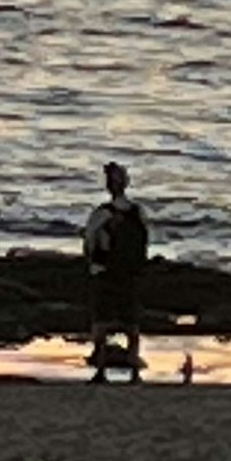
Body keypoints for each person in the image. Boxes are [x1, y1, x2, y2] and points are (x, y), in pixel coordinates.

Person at [84, 158, 149, 382]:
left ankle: (101, 369)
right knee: (131, 325)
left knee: (102, 322)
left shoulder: (102, 214)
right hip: (130, 274)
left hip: (107, 273)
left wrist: (93, 265)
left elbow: (90, 243)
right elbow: (144, 243)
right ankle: (133, 371)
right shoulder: (138, 213)